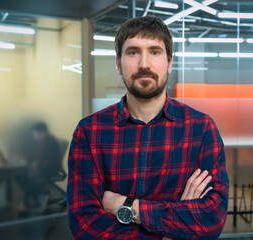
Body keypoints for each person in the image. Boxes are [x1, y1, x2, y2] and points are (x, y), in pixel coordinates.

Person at [67, 16, 229, 239]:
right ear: (119, 65)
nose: (144, 64)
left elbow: (211, 219)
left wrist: (123, 206)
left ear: (169, 63)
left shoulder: (201, 129)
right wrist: (173, 228)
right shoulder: (89, 132)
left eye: (154, 51)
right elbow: (84, 225)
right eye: (133, 52)